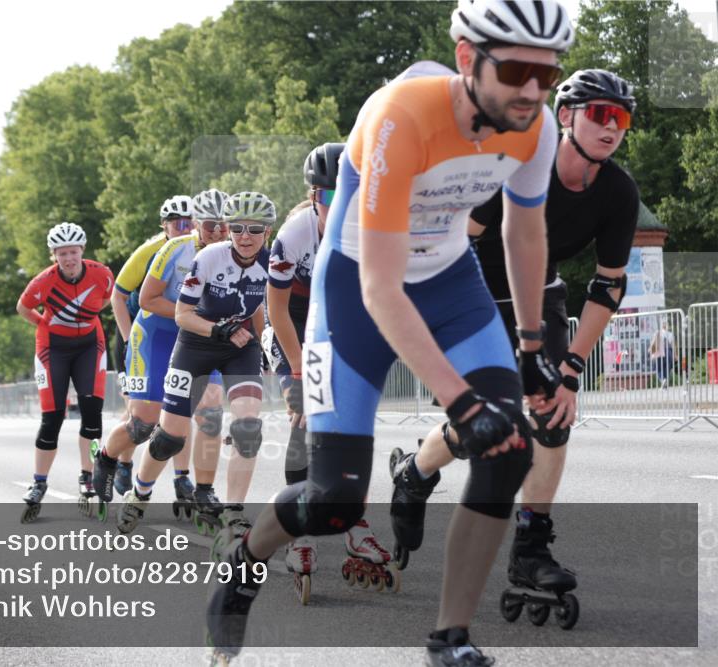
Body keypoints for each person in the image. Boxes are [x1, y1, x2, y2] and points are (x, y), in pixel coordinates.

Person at [206, 1, 573, 664]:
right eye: (517, 68)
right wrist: (461, 403)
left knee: (509, 446)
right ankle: (244, 566)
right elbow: (378, 287)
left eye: (547, 75)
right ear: (468, 58)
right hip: (354, 291)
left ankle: (450, 638)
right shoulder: (399, 116)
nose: (532, 90)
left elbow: (524, 230)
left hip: (450, 281)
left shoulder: (535, 127)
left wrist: (528, 346)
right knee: (335, 501)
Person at [394, 68, 639, 618]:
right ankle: (415, 472)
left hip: (540, 297)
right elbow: (452, 243)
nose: (611, 127)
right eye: (600, 114)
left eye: (621, 118)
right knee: (488, 424)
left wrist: (572, 368)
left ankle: (531, 546)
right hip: (473, 293)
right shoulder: (516, 165)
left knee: (552, 417)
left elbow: (607, 285)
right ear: (567, 116)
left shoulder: (618, 191)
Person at [100, 192, 275, 538]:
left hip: (238, 345)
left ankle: (235, 511)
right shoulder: (207, 257)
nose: (243, 236)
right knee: (168, 438)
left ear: (267, 232)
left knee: (248, 428)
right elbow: (181, 312)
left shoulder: (270, 262)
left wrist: (265, 344)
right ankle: (141, 492)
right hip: (196, 344)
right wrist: (217, 329)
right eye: (235, 228)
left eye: (253, 229)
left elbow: (256, 306)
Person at [265, 143, 391, 601]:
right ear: (312, 197)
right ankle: (298, 532)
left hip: (338, 314)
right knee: (306, 419)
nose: (338, 207)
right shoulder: (297, 232)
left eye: (349, 196)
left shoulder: (375, 224)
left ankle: (355, 526)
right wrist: (298, 373)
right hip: (294, 321)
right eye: (327, 198)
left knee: (349, 426)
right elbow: (276, 308)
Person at [92, 190, 231, 524]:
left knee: (210, 411)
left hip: (196, 338)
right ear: (197, 223)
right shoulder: (173, 249)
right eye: (210, 224)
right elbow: (146, 300)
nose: (217, 232)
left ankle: (204, 490)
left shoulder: (235, 252)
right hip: (156, 335)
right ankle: (108, 457)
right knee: (143, 426)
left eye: (225, 226)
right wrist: (193, 313)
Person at [17, 222, 114, 523]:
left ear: (82, 251)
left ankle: (88, 476)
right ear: (54, 256)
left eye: (73, 252)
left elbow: (107, 300)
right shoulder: (42, 282)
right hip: (52, 348)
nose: (69, 259)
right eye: (62, 254)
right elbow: (23, 307)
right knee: (52, 418)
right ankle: (39, 482)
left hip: (89, 345)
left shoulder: (102, 274)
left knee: (92, 412)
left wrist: (83, 319)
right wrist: (45, 323)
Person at [109, 196, 195, 494]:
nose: (184, 229)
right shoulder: (149, 251)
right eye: (176, 223)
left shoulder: (201, 248)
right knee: (140, 413)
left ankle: (182, 476)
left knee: (181, 409)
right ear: (164, 226)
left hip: (180, 335)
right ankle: (122, 461)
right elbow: (117, 296)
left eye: (189, 222)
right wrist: (128, 335)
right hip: (140, 335)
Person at [650, 320, 675, 387]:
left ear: (661, 326)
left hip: (660, 352)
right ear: (667, 326)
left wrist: (651, 351)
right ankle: (665, 383)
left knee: (659, 368)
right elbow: (673, 346)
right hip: (669, 352)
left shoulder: (658, 333)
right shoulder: (670, 334)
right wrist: (675, 355)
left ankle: (663, 380)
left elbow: (653, 343)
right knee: (667, 369)